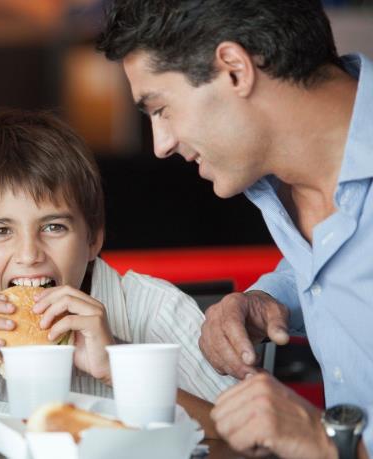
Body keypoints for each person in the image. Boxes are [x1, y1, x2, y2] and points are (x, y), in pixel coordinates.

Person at [97, 0, 372, 457]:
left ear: (234, 70)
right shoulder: (286, 179)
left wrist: (325, 443)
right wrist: (270, 298)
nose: (161, 145)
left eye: (161, 109)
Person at [0, 109, 236, 437]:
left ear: (93, 238)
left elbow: (249, 435)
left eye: (54, 227)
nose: (29, 255)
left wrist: (118, 370)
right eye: (1, 231)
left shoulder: (155, 310)